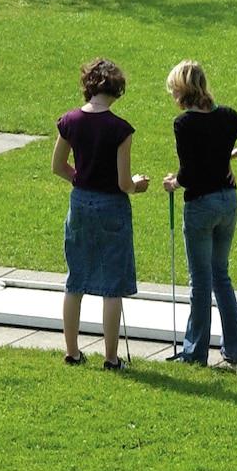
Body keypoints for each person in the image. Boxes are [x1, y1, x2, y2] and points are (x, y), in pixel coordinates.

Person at [161, 60, 237, 369]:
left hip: (201, 206)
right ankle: (235, 350)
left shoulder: (183, 123)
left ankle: (195, 353)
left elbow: (189, 173)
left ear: (182, 90)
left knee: (200, 281)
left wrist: (173, 183)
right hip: (228, 201)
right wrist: (232, 155)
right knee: (221, 275)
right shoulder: (226, 115)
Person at [52, 57, 151, 370]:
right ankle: (110, 357)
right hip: (112, 205)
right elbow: (124, 183)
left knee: (75, 280)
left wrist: (80, 179)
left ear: (88, 86)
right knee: (112, 284)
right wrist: (138, 185)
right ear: (117, 90)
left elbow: (58, 166)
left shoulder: (69, 121)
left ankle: (72, 352)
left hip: (80, 202)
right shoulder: (120, 129)